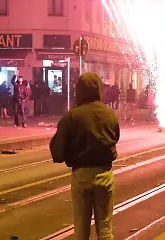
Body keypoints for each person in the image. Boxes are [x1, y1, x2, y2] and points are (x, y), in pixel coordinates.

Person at [50, 73, 119, 240]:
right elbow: (115, 137)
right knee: (105, 228)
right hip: (105, 174)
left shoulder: (72, 116)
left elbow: (57, 152)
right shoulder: (110, 113)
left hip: (81, 175)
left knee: (81, 229)